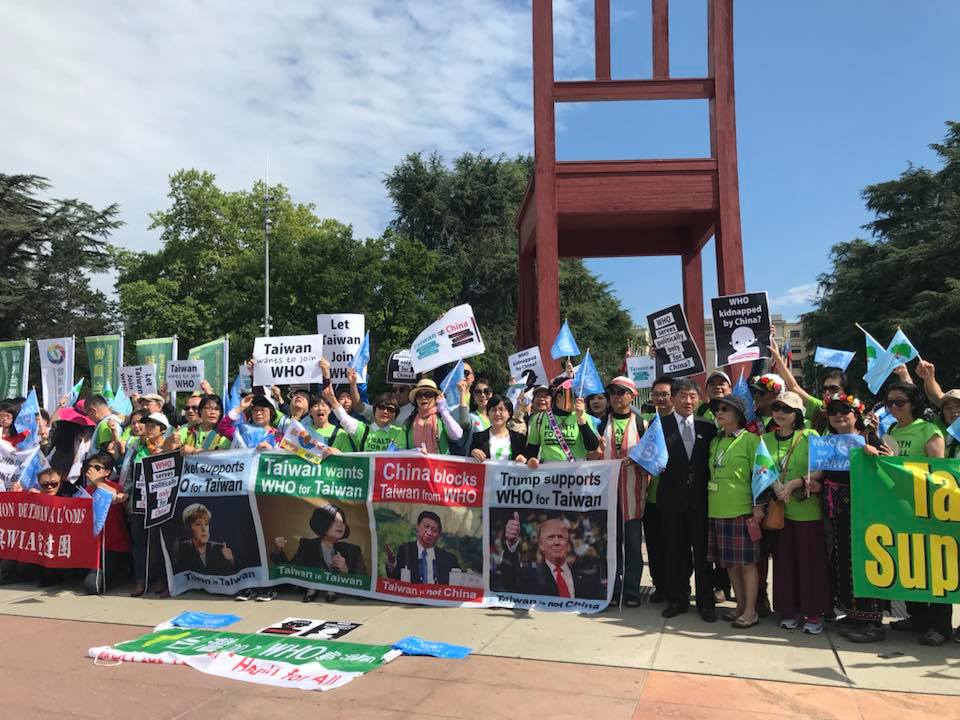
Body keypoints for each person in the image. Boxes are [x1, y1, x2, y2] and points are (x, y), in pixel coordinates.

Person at [882, 382, 951, 646]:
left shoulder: (928, 430)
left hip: (928, 509)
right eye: (890, 403)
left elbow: (939, 472)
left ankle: (940, 625)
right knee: (910, 564)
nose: (894, 407)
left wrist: (897, 463)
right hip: (901, 509)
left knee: (934, 568)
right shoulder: (891, 430)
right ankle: (917, 617)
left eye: (900, 401)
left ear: (913, 403)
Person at [820, 392, 886, 643]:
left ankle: (873, 622)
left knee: (865, 562)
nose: (838, 416)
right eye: (833, 412)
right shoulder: (828, 442)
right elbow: (820, 472)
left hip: (866, 514)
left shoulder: (869, 438)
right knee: (843, 563)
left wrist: (873, 453)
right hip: (837, 512)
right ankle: (854, 614)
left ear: (856, 414)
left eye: (844, 411)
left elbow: (890, 466)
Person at [762, 391, 828, 634]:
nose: (780, 413)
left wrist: (794, 483)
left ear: (797, 413)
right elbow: (762, 468)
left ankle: (813, 613)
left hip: (807, 511)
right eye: (777, 408)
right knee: (784, 563)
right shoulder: (765, 439)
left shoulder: (811, 436)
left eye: (787, 409)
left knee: (810, 564)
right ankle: (788, 610)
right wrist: (776, 486)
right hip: (780, 511)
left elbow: (820, 468)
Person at [657, 378, 718, 622]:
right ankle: (677, 600)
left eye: (693, 396)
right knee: (675, 552)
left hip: (701, 500)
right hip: (671, 500)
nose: (688, 401)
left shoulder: (708, 427)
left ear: (699, 399)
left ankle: (706, 603)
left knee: (703, 554)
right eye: (683, 396)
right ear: (673, 398)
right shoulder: (659, 426)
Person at [707, 393, 763, 628]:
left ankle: (751, 610)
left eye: (725, 409)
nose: (719, 413)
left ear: (738, 414)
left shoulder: (751, 440)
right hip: (717, 510)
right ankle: (740, 605)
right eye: (717, 410)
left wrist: (758, 506)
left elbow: (762, 474)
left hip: (742, 510)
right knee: (729, 563)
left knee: (747, 564)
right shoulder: (715, 441)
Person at [597, 376, 647, 606]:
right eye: (612, 392)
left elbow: (653, 458)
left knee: (633, 546)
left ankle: (632, 591)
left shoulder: (642, 424)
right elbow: (591, 456)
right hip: (607, 495)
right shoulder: (600, 424)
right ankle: (613, 590)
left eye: (621, 392)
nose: (616, 397)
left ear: (632, 395)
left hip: (633, 493)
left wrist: (637, 461)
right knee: (611, 545)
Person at [272, 503, 367, 602]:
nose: (340, 525)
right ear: (322, 522)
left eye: (342, 522)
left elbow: (364, 584)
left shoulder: (353, 550)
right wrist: (278, 550)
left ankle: (332, 592)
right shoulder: (307, 545)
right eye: (334, 521)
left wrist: (346, 569)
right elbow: (290, 572)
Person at [498, 516, 603, 599]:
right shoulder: (531, 575)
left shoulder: (585, 576)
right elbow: (509, 581)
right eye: (551, 537)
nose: (556, 542)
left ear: (568, 545)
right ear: (541, 545)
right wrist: (511, 545)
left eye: (560, 537)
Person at [642, 376, 674, 603]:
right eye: (656, 394)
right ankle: (660, 586)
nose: (660, 399)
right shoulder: (648, 423)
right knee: (654, 545)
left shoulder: (683, 424)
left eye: (665, 394)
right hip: (651, 496)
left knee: (675, 546)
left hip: (675, 497)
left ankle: (677, 587)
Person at [524, 377, 599, 465]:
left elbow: (592, 447)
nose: (577, 399)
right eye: (573, 396)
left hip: (576, 470)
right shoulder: (539, 418)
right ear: (559, 397)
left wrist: (582, 421)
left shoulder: (584, 416)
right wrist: (531, 459)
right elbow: (532, 448)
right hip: (549, 471)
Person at [385, 511, 459, 585]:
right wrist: (391, 562)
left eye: (434, 530)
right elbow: (395, 577)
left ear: (438, 534)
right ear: (417, 526)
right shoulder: (406, 550)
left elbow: (460, 582)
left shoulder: (449, 559)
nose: (429, 533)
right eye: (426, 526)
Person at [402, 379, 463, 455]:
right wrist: (415, 451)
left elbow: (457, 435)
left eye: (428, 394)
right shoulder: (409, 422)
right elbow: (401, 448)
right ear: (416, 400)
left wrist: (443, 410)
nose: (423, 397)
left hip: (440, 462)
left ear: (436, 398)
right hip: (416, 462)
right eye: (419, 395)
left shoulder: (442, 417)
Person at [173, 503, 236, 576]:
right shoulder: (181, 550)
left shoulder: (220, 549)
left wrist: (230, 562)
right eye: (198, 524)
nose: (204, 529)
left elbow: (229, 577)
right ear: (189, 527)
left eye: (206, 524)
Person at [333, 392, 408, 452]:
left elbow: (400, 457)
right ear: (374, 410)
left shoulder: (399, 432)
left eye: (390, 409)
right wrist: (330, 397)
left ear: (395, 415)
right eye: (381, 407)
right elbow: (342, 416)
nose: (385, 411)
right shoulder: (362, 429)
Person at [469, 394, 527, 462]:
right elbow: (468, 457)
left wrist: (523, 459)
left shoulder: (518, 439)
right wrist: (473, 452)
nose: (497, 413)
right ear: (488, 413)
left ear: (509, 413)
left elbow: (526, 458)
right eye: (493, 410)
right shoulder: (478, 437)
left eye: (501, 410)